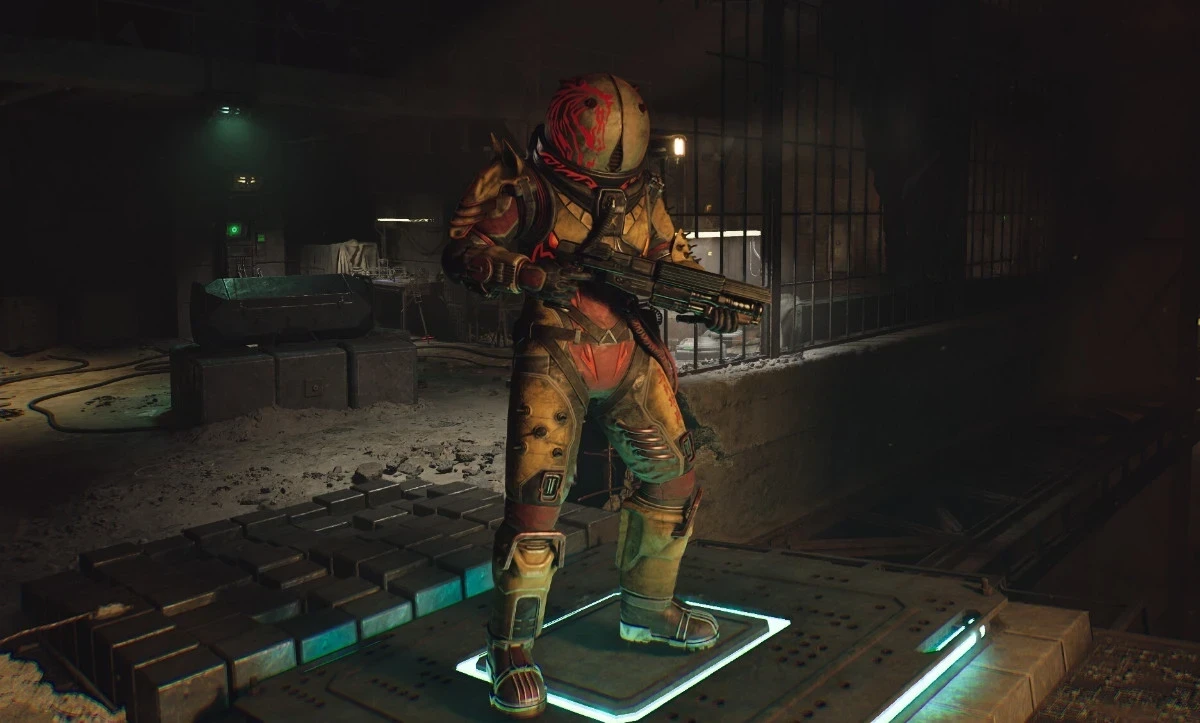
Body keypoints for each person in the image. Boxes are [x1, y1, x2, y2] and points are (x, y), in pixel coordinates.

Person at [442, 73, 740, 719]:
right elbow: (467, 253)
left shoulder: (643, 196)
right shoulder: (528, 190)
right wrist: (525, 272)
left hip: (628, 351)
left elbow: (673, 263)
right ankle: (511, 647)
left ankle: (648, 609)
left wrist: (708, 304)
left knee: (673, 479)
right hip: (555, 352)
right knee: (537, 506)